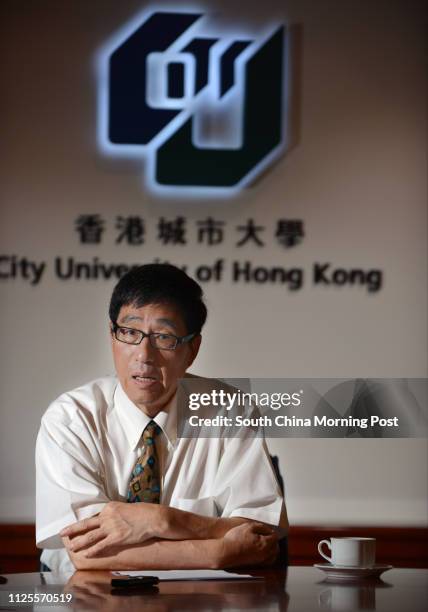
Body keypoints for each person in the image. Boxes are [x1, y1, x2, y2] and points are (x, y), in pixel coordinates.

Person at [36, 264, 288, 572]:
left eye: (164, 337)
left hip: (202, 602)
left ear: (192, 349)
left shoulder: (228, 411)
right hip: (84, 598)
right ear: (112, 336)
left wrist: (161, 519)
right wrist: (216, 552)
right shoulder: (71, 418)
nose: (144, 355)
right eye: (129, 332)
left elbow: (259, 535)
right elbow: (87, 553)